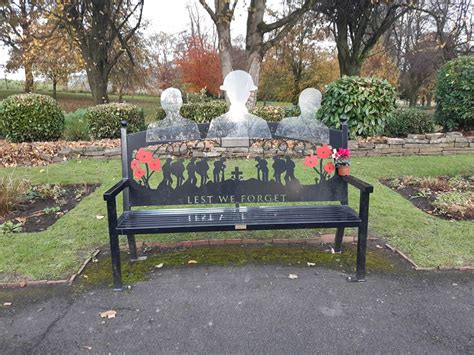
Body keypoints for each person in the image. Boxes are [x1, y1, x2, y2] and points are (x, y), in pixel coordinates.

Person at [206, 70, 271, 139]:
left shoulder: (217, 123)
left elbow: (210, 147)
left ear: (228, 93)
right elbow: (267, 148)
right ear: (248, 94)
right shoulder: (260, 123)